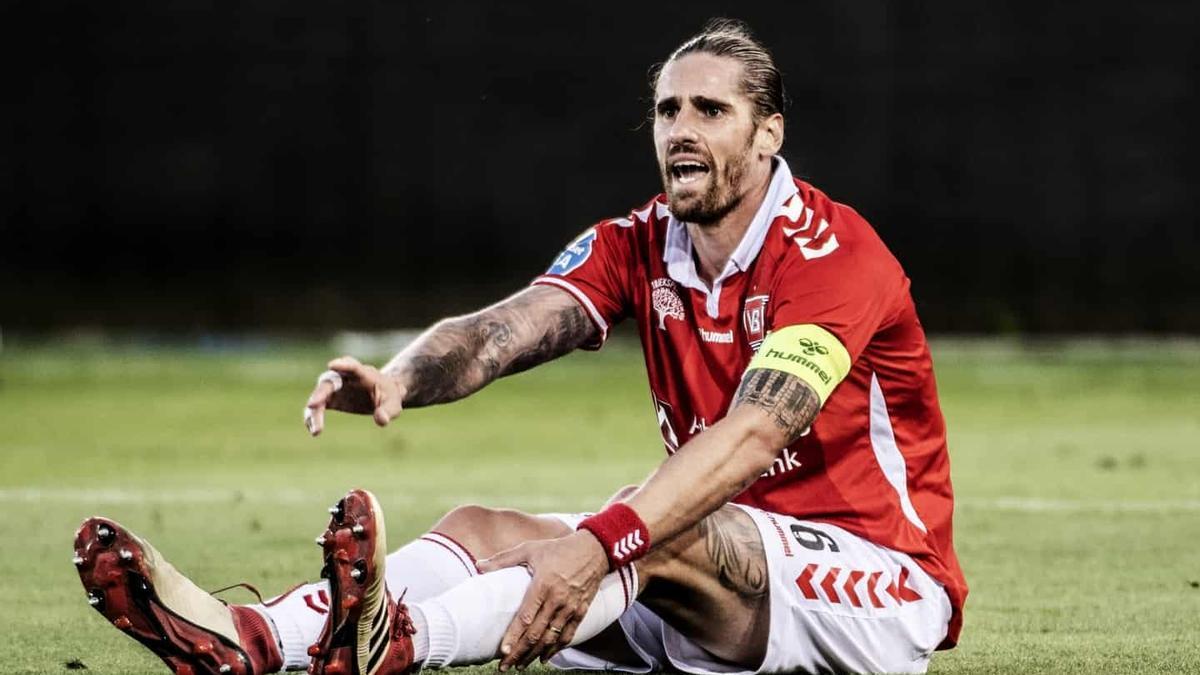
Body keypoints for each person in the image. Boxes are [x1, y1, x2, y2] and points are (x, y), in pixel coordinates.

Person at [73, 18, 967, 675]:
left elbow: (752, 435)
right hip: (712, 576)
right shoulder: (639, 240)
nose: (680, 128)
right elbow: (504, 329)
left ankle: (401, 645)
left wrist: (607, 538)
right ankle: (255, 639)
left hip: (874, 586)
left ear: (768, 134)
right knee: (482, 528)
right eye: (666, 110)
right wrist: (399, 377)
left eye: (710, 109)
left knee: (641, 523)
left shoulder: (834, 254)